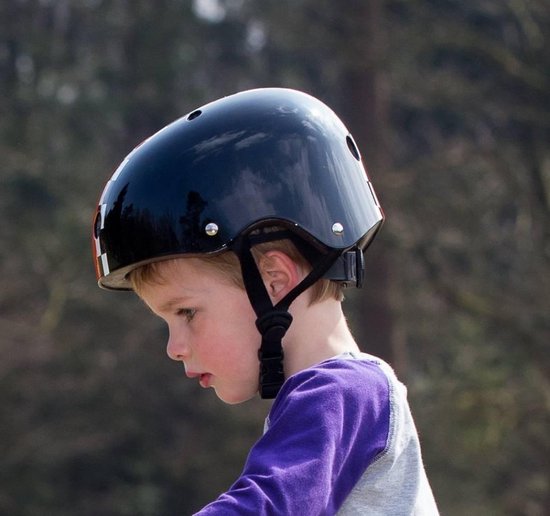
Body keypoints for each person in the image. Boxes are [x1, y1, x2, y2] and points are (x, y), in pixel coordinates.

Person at [92, 88, 439, 515]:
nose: (174, 347)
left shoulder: (346, 393)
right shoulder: (332, 401)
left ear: (273, 281)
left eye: (186, 312)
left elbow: (267, 506)